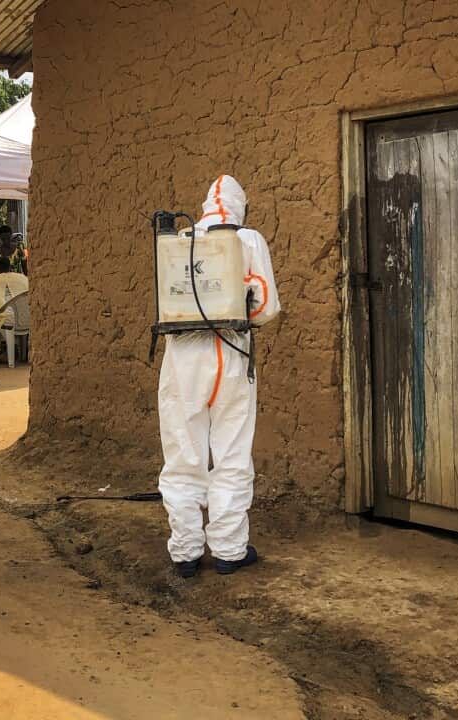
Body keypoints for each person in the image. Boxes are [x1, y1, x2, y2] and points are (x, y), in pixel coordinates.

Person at [158, 175, 280, 579]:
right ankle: (229, 549)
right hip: (231, 352)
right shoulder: (249, 240)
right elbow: (265, 307)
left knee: (182, 451)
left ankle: (186, 552)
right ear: (239, 205)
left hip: (183, 357)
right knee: (231, 450)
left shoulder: (178, 238)